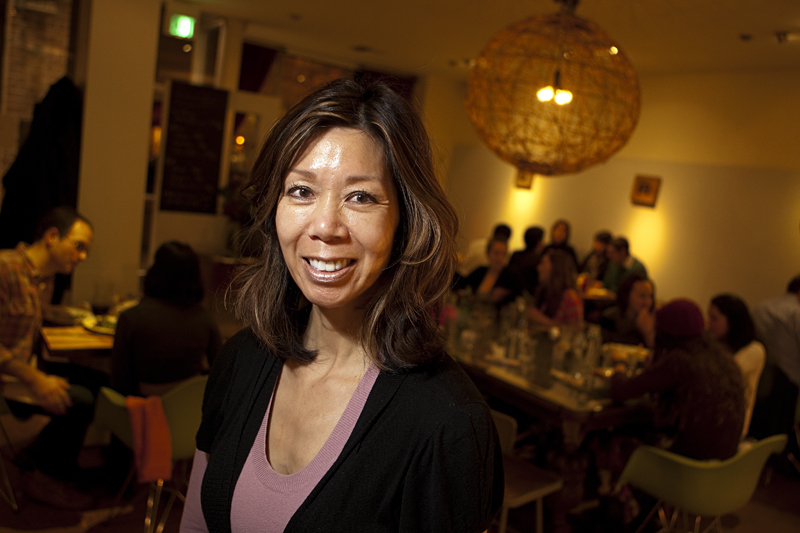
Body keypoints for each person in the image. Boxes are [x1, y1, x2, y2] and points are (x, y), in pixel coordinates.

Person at [179, 79, 503, 532]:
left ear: (405, 224)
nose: (326, 226)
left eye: (360, 197)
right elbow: (197, 523)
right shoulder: (241, 360)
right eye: (301, 191)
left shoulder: (447, 424)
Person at [0, 206, 95, 509]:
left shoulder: (43, 279)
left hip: (20, 370)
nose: (81, 257)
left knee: (99, 382)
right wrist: (37, 379)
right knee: (80, 401)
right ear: (52, 237)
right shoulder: (5, 268)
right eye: (78, 246)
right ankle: (42, 476)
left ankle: (34, 461)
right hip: (7, 378)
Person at [610, 299, 745, 460]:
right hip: (720, 466)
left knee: (611, 436)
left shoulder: (680, 361)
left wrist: (619, 366)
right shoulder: (719, 357)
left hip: (684, 467)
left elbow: (621, 391)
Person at [110, 241, 221, 397]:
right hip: (186, 413)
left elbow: (119, 382)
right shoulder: (205, 320)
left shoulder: (131, 318)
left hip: (141, 412)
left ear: (156, 271)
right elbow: (220, 372)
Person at [749, 275, 800, 462]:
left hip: (761, 374)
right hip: (787, 381)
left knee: (760, 428)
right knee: (777, 433)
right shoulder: (795, 312)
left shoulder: (762, 307)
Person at [707, 293, 765, 439]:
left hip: (732, 425)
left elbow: (718, 375)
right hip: (710, 416)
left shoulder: (754, 350)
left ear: (732, 322)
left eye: (714, 319)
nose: (708, 324)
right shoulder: (716, 343)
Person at [526, 248, 583, 329]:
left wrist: (541, 320)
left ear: (556, 268)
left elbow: (574, 332)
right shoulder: (544, 291)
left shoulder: (570, 297)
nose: (538, 268)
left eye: (543, 264)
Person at [600, 274, 656, 348]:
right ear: (626, 296)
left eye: (650, 296)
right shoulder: (610, 318)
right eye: (642, 296)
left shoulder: (654, 322)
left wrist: (648, 333)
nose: (647, 302)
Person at [462, 237, 519, 305]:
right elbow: (462, 285)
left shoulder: (510, 277)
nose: (500, 258)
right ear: (488, 253)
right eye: (496, 253)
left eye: (503, 254)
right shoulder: (480, 271)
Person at [507, 225, 544, 297]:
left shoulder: (516, 254)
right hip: (529, 296)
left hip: (511, 293)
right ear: (538, 242)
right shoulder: (539, 260)